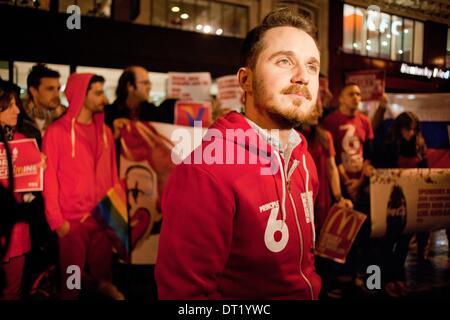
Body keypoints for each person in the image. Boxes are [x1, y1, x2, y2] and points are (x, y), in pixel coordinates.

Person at [156, 8, 322, 299]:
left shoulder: (304, 160)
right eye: (284, 61)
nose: (302, 77)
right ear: (245, 80)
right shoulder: (206, 171)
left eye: (312, 66)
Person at [42, 73, 123, 300]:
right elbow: (48, 179)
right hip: (72, 224)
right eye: (97, 93)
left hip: (102, 221)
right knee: (72, 286)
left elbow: (113, 177)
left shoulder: (106, 133)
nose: (103, 98)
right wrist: (58, 222)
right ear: (81, 95)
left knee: (104, 281)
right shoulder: (56, 132)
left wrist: (115, 221)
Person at [374, 111, 429, 297]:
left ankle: (398, 277)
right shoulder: (388, 144)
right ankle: (386, 279)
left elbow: (425, 171)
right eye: (407, 129)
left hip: (411, 201)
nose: (411, 134)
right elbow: (380, 171)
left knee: (404, 243)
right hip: (391, 201)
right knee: (388, 242)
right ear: (399, 128)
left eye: (414, 130)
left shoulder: (419, 144)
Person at [0, 80, 45, 299]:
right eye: (9, 106)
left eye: (17, 104)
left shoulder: (22, 141)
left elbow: (30, 194)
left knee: (12, 292)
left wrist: (39, 171)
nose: (17, 110)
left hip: (16, 232)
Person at [104, 65, 172, 140]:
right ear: (130, 86)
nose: (149, 87)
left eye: (149, 83)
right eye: (145, 83)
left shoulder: (156, 114)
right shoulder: (108, 114)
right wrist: (115, 135)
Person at [25, 64, 65, 136]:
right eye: (50, 89)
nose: (57, 94)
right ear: (33, 91)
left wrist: (60, 118)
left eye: (58, 89)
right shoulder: (18, 116)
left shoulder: (65, 115)